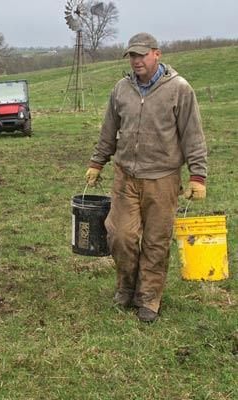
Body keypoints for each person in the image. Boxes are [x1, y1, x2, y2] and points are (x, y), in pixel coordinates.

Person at [84, 32, 208, 323]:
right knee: (120, 236)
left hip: (162, 179)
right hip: (125, 176)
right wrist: (97, 162)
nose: (137, 60)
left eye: (142, 54)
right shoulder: (121, 89)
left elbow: (193, 135)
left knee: (156, 241)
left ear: (157, 54)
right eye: (132, 55)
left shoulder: (179, 89)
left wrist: (197, 175)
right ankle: (126, 287)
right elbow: (108, 129)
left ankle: (149, 298)